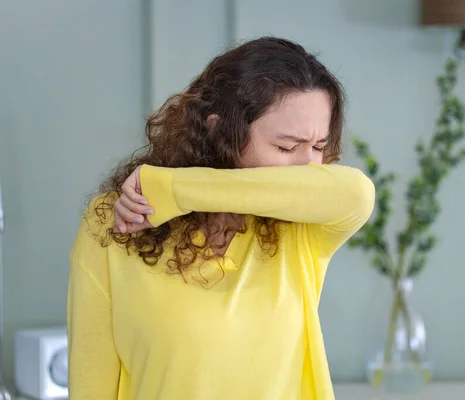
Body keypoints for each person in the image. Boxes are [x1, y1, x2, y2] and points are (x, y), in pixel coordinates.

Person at [67, 36, 375, 400]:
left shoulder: (301, 225)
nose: (309, 167)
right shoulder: (116, 220)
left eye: (320, 147)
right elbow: (92, 381)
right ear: (219, 131)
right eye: (287, 147)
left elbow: (356, 193)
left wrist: (175, 189)